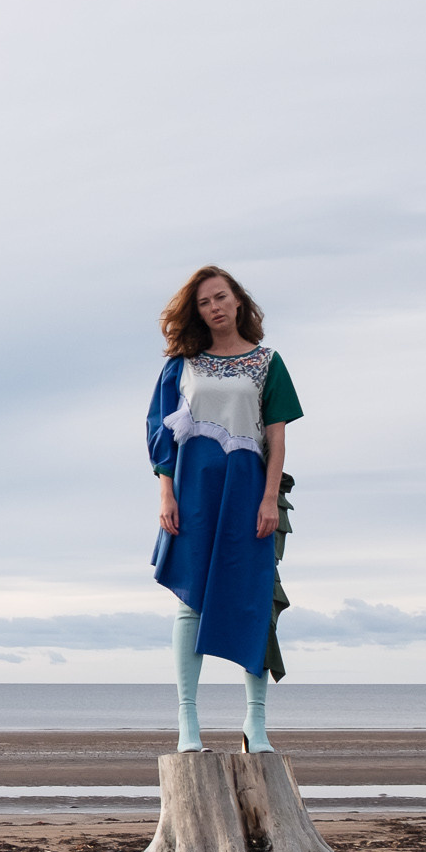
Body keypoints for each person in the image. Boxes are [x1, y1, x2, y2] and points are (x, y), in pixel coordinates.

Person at [146, 265, 303, 754]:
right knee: (189, 604)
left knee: (254, 599)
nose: (214, 307)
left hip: (247, 490)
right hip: (193, 490)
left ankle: (256, 724)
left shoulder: (268, 362)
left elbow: (276, 439)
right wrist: (166, 494)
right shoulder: (181, 365)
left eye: (220, 297)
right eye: (204, 302)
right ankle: (187, 723)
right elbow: (161, 433)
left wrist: (268, 499)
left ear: (238, 300)